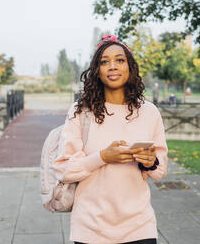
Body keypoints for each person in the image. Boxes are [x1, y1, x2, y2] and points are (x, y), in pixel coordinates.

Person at [53, 34, 168, 244]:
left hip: (139, 226)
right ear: (96, 71)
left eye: (119, 60)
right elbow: (64, 169)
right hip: (91, 227)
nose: (112, 66)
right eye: (104, 62)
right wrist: (103, 157)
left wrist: (150, 162)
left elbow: (160, 171)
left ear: (130, 67)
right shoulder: (81, 112)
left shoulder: (149, 112)